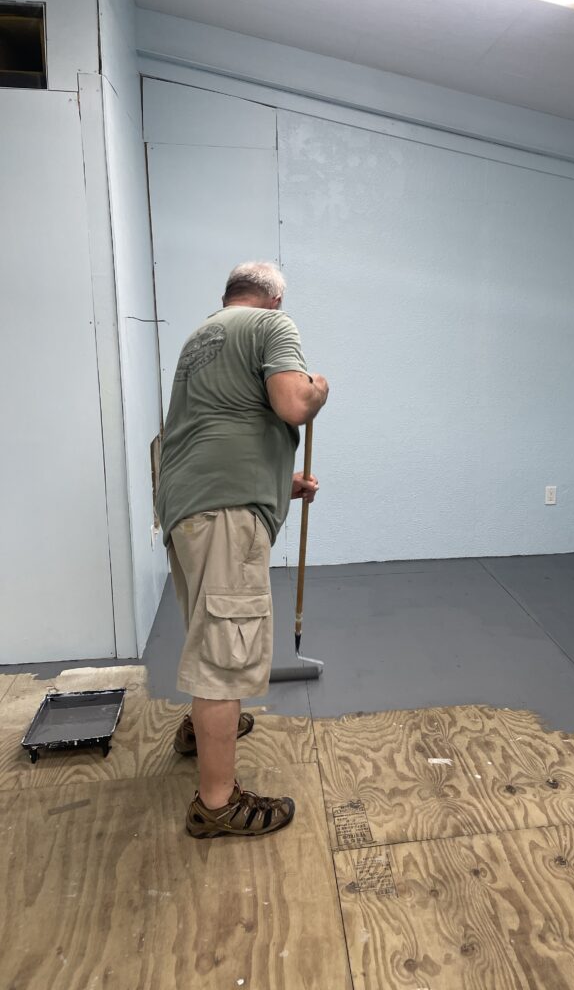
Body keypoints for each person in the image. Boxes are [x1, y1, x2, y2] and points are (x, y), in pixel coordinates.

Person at [156, 261, 329, 838]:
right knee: (227, 657)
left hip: (187, 505)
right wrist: (317, 391)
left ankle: (198, 731)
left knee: (212, 629)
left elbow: (218, 429)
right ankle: (217, 803)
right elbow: (291, 404)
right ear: (274, 300)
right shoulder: (273, 328)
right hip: (224, 513)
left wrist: (278, 484)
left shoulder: (199, 338)